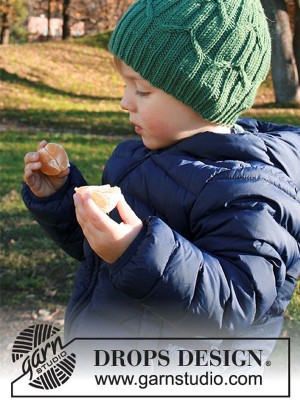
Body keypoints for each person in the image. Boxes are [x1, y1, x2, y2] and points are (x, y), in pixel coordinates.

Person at [22, 0, 300, 344]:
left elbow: (235, 302)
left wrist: (135, 251)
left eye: (142, 90)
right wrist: (60, 196)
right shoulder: (136, 158)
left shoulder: (247, 189)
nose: (125, 101)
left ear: (202, 96)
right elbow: (97, 250)